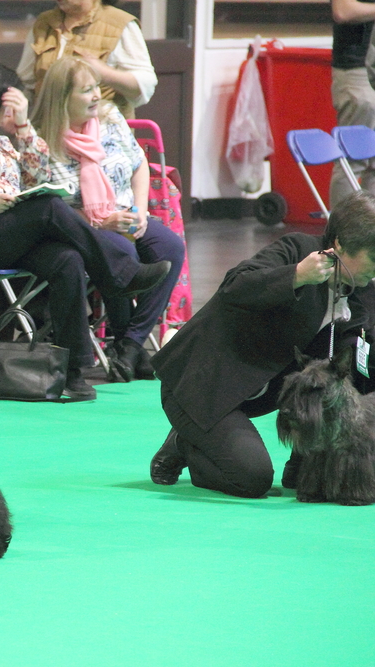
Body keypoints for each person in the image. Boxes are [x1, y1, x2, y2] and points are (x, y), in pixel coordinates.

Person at [0, 59, 171, 400]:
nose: (10, 118)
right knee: (49, 209)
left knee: (66, 258)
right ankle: (120, 274)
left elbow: (37, 178)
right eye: (9, 110)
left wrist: (23, 128)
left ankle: (74, 372)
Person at [150, 190, 375, 499]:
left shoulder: (361, 287)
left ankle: (300, 463)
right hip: (200, 385)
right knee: (252, 478)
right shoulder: (297, 249)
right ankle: (185, 442)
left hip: (258, 392)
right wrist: (296, 276)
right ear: (340, 244)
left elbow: (355, 366)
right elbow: (234, 287)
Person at [35, 56, 184, 382]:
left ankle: (130, 345)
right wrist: (101, 222)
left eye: (95, 89)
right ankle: (128, 347)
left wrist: (141, 211)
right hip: (81, 227)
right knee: (122, 250)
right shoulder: (42, 142)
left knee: (170, 247)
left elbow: (138, 165)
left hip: (128, 214)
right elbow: (49, 205)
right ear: (63, 98)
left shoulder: (110, 118)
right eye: (86, 91)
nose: (96, 96)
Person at [17, 0, 156, 119]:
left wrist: (104, 73)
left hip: (102, 134)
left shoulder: (119, 23)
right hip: (49, 133)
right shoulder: (44, 22)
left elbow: (145, 86)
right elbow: (26, 81)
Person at [335, 0, 375, 207]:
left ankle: (369, 231)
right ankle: (343, 233)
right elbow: (342, 10)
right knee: (352, 160)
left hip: (369, 71)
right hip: (356, 70)